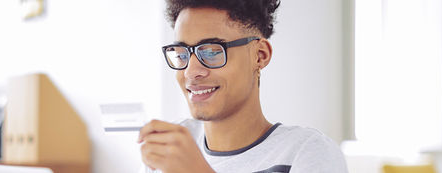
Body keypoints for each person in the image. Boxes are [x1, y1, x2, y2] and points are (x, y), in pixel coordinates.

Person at [138, 0, 349, 172]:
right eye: (182, 53)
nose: (190, 72)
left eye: (212, 52)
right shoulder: (170, 148)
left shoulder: (307, 152)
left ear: (259, 56)